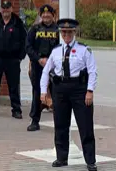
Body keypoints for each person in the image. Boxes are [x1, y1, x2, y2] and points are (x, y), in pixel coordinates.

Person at [41, 18, 98, 171]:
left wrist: (90, 91)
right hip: (60, 89)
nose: (66, 34)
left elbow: (92, 71)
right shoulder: (56, 51)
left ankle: (90, 161)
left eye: (69, 32)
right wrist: (43, 92)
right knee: (60, 124)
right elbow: (46, 72)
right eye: (64, 32)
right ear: (61, 33)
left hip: (79, 89)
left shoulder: (84, 50)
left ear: (74, 32)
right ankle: (61, 157)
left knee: (85, 125)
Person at [0, 0, 27, 118]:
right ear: (1, 10)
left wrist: (20, 56)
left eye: (8, 8)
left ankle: (16, 110)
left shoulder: (18, 24)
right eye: (3, 8)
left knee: (13, 86)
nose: (5, 10)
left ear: (11, 9)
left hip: (13, 59)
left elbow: (25, 41)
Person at [25, 4, 59, 131]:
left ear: (53, 15)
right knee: (37, 92)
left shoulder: (58, 30)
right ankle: (34, 120)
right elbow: (28, 47)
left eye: (48, 13)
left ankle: (59, 121)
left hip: (54, 67)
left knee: (56, 93)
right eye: (43, 14)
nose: (46, 16)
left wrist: (50, 61)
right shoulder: (34, 29)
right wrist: (38, 59)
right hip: (38, 65)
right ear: (40, 15)